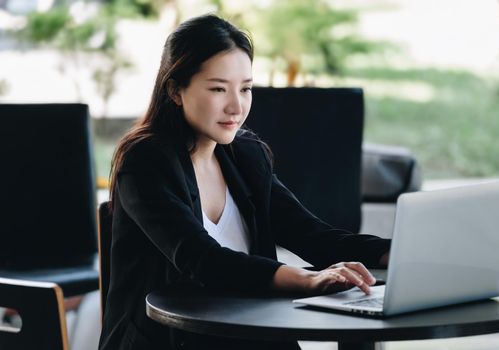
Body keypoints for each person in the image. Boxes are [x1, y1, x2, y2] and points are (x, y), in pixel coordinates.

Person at [98, 14, 390, 350]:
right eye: (219, 89)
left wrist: (392, 253)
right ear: (175, 90)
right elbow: (202, 260)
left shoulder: (246, 155)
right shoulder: (145, 161)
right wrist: (307, 278)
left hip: (245, 334)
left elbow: (311, 235)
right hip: (169, 341)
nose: (236, 106)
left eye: (246, 88)